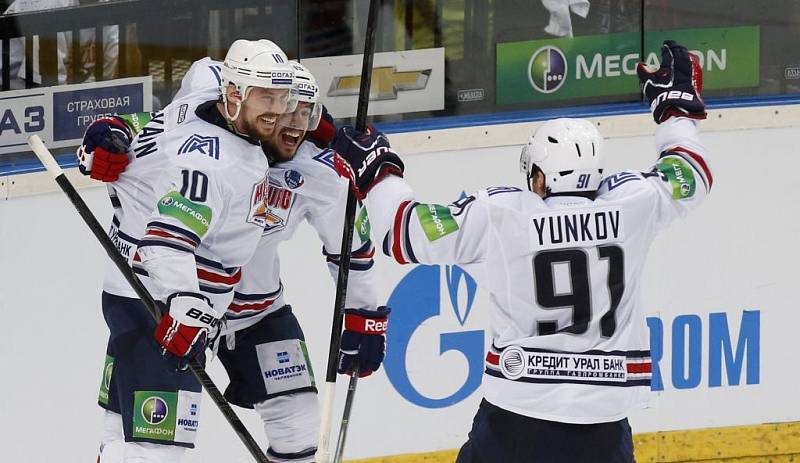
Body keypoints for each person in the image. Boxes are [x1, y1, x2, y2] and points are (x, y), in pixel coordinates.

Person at [332, 40, 711, 463]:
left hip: (517, 421)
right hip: (604, 424)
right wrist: (675, 112)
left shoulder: (503, 214)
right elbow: (689, 175)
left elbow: (405, 233)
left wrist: (379, 171)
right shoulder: (634, 204)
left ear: (541, 177)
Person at [87, 55, 388, 462]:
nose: (296, 124)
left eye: (307, 113)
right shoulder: (210, 138)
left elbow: (351, 248)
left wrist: (363, 314)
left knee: (300, 425)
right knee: (148, 443)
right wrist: (114, 131)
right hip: (167, 300)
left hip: (254, 309)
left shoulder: (319, 173)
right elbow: (157, 124)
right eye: (286, 109)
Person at [77, 39, 297, 462]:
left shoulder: (206, 80)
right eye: (265, 97)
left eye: (282, 97)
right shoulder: (220, 167)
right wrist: (185, 306)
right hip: (157, 304)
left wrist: (117, 130)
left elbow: (155, 122)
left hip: (129, 286)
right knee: (156, 452)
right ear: (234, 95)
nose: (277, 108)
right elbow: (166, 241)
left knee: (120, 432)